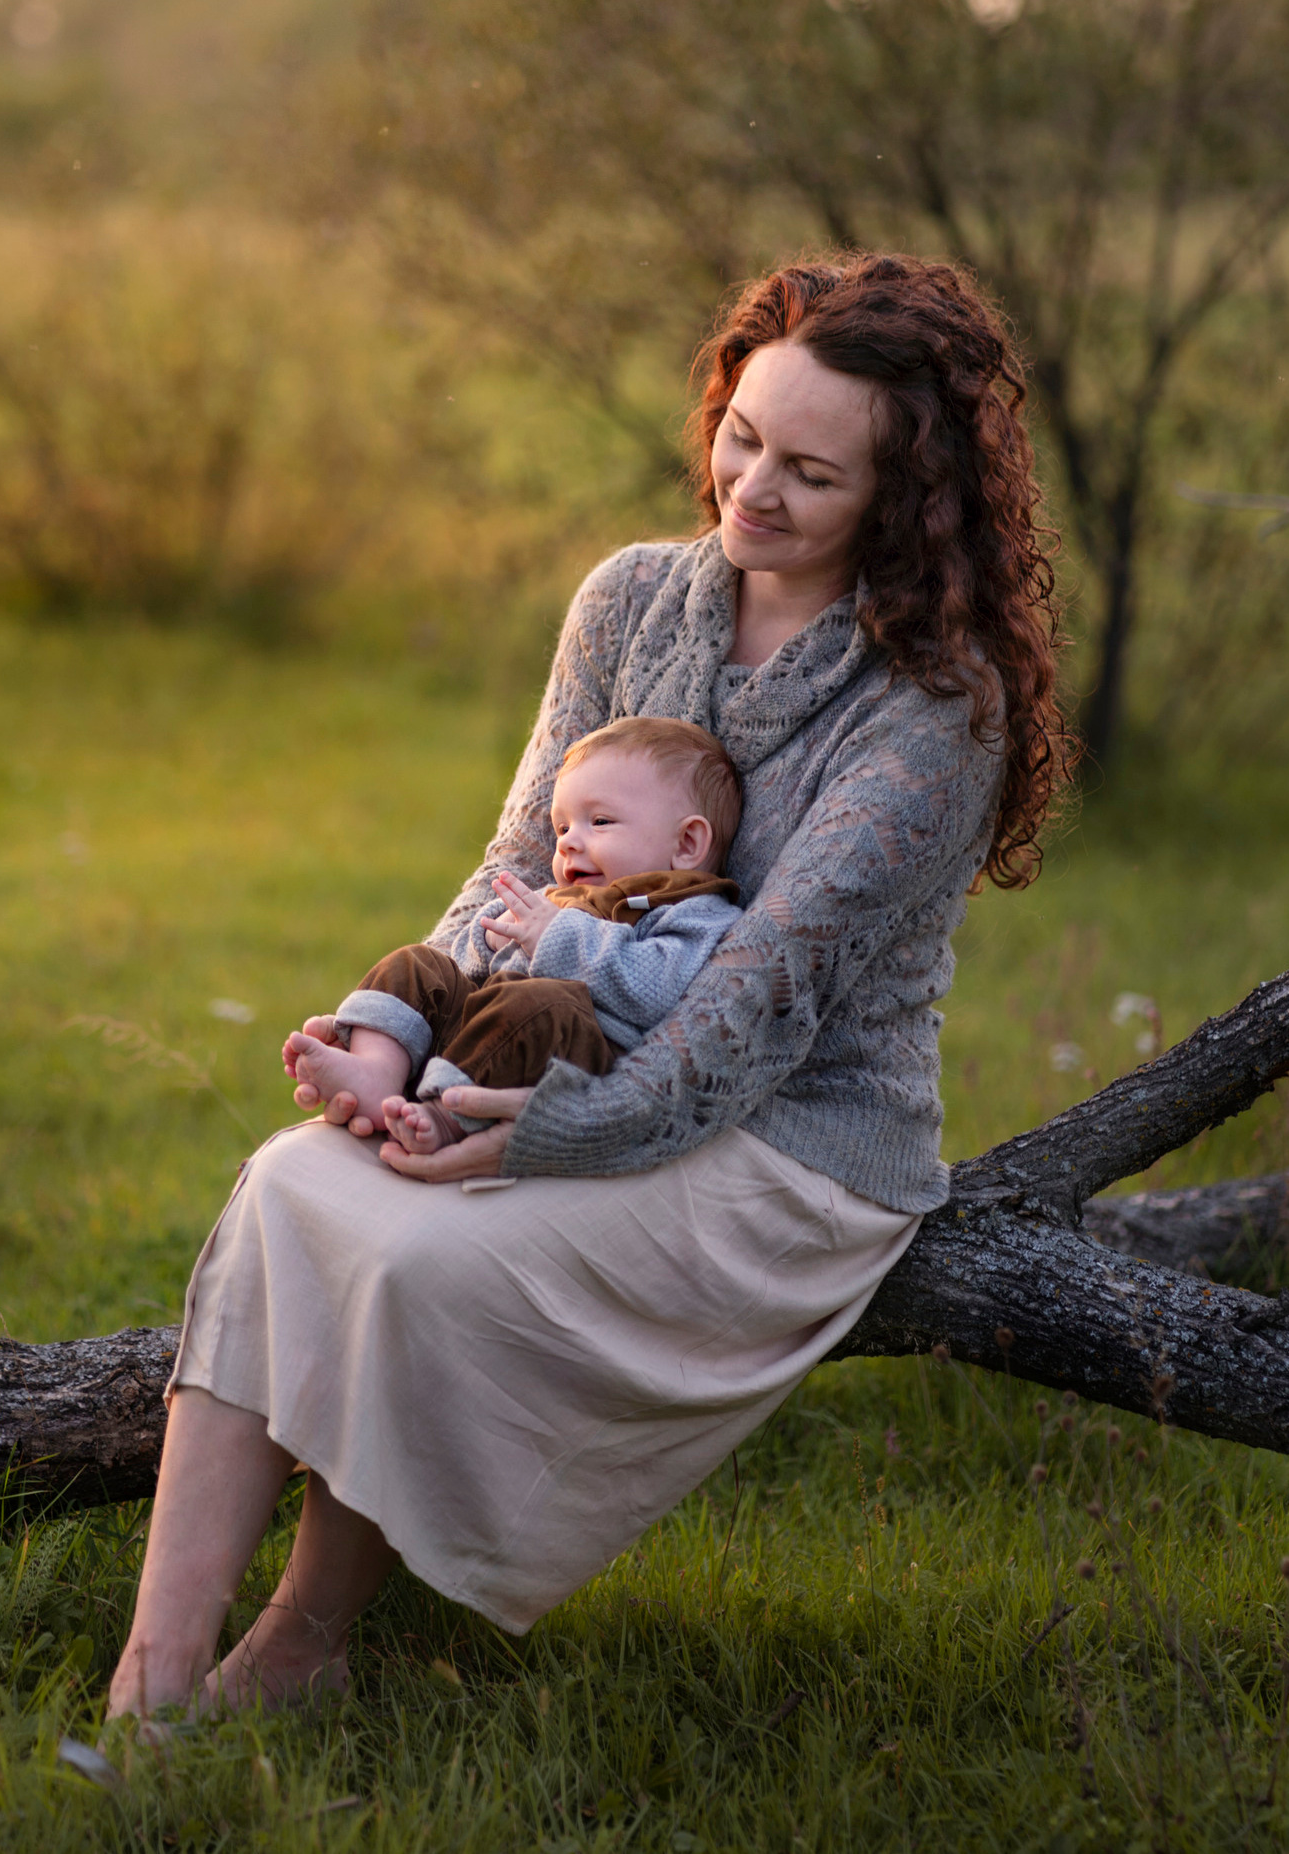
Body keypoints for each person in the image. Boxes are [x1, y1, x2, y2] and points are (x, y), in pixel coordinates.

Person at [105, 252, 1070, 1728]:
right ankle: (147, 1689)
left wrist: (538, 1131)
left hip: (786, 1142)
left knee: (425, 1260)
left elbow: (752, 1013)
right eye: (742, 438)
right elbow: (507, 877)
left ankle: (299, 1642)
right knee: (290, 1187)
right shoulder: (627, 599)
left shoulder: (933, 708)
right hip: (546, 1057)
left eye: (811, 472)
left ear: (902, 495)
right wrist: (410, 1045)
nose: (752, 489)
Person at [285, 716, 744, 1153]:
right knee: (418, 963)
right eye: (562, 827)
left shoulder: (694, 912)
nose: (566, 842)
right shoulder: (556, 896)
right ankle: (376, 1070)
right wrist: (487, 940)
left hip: (571, 1047)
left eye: (599, 822)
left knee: (535, 1003)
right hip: (482, 1031)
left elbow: (660, 992)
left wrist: (555, 936)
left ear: (687, 844)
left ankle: (446, 1117)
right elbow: (468, 964)